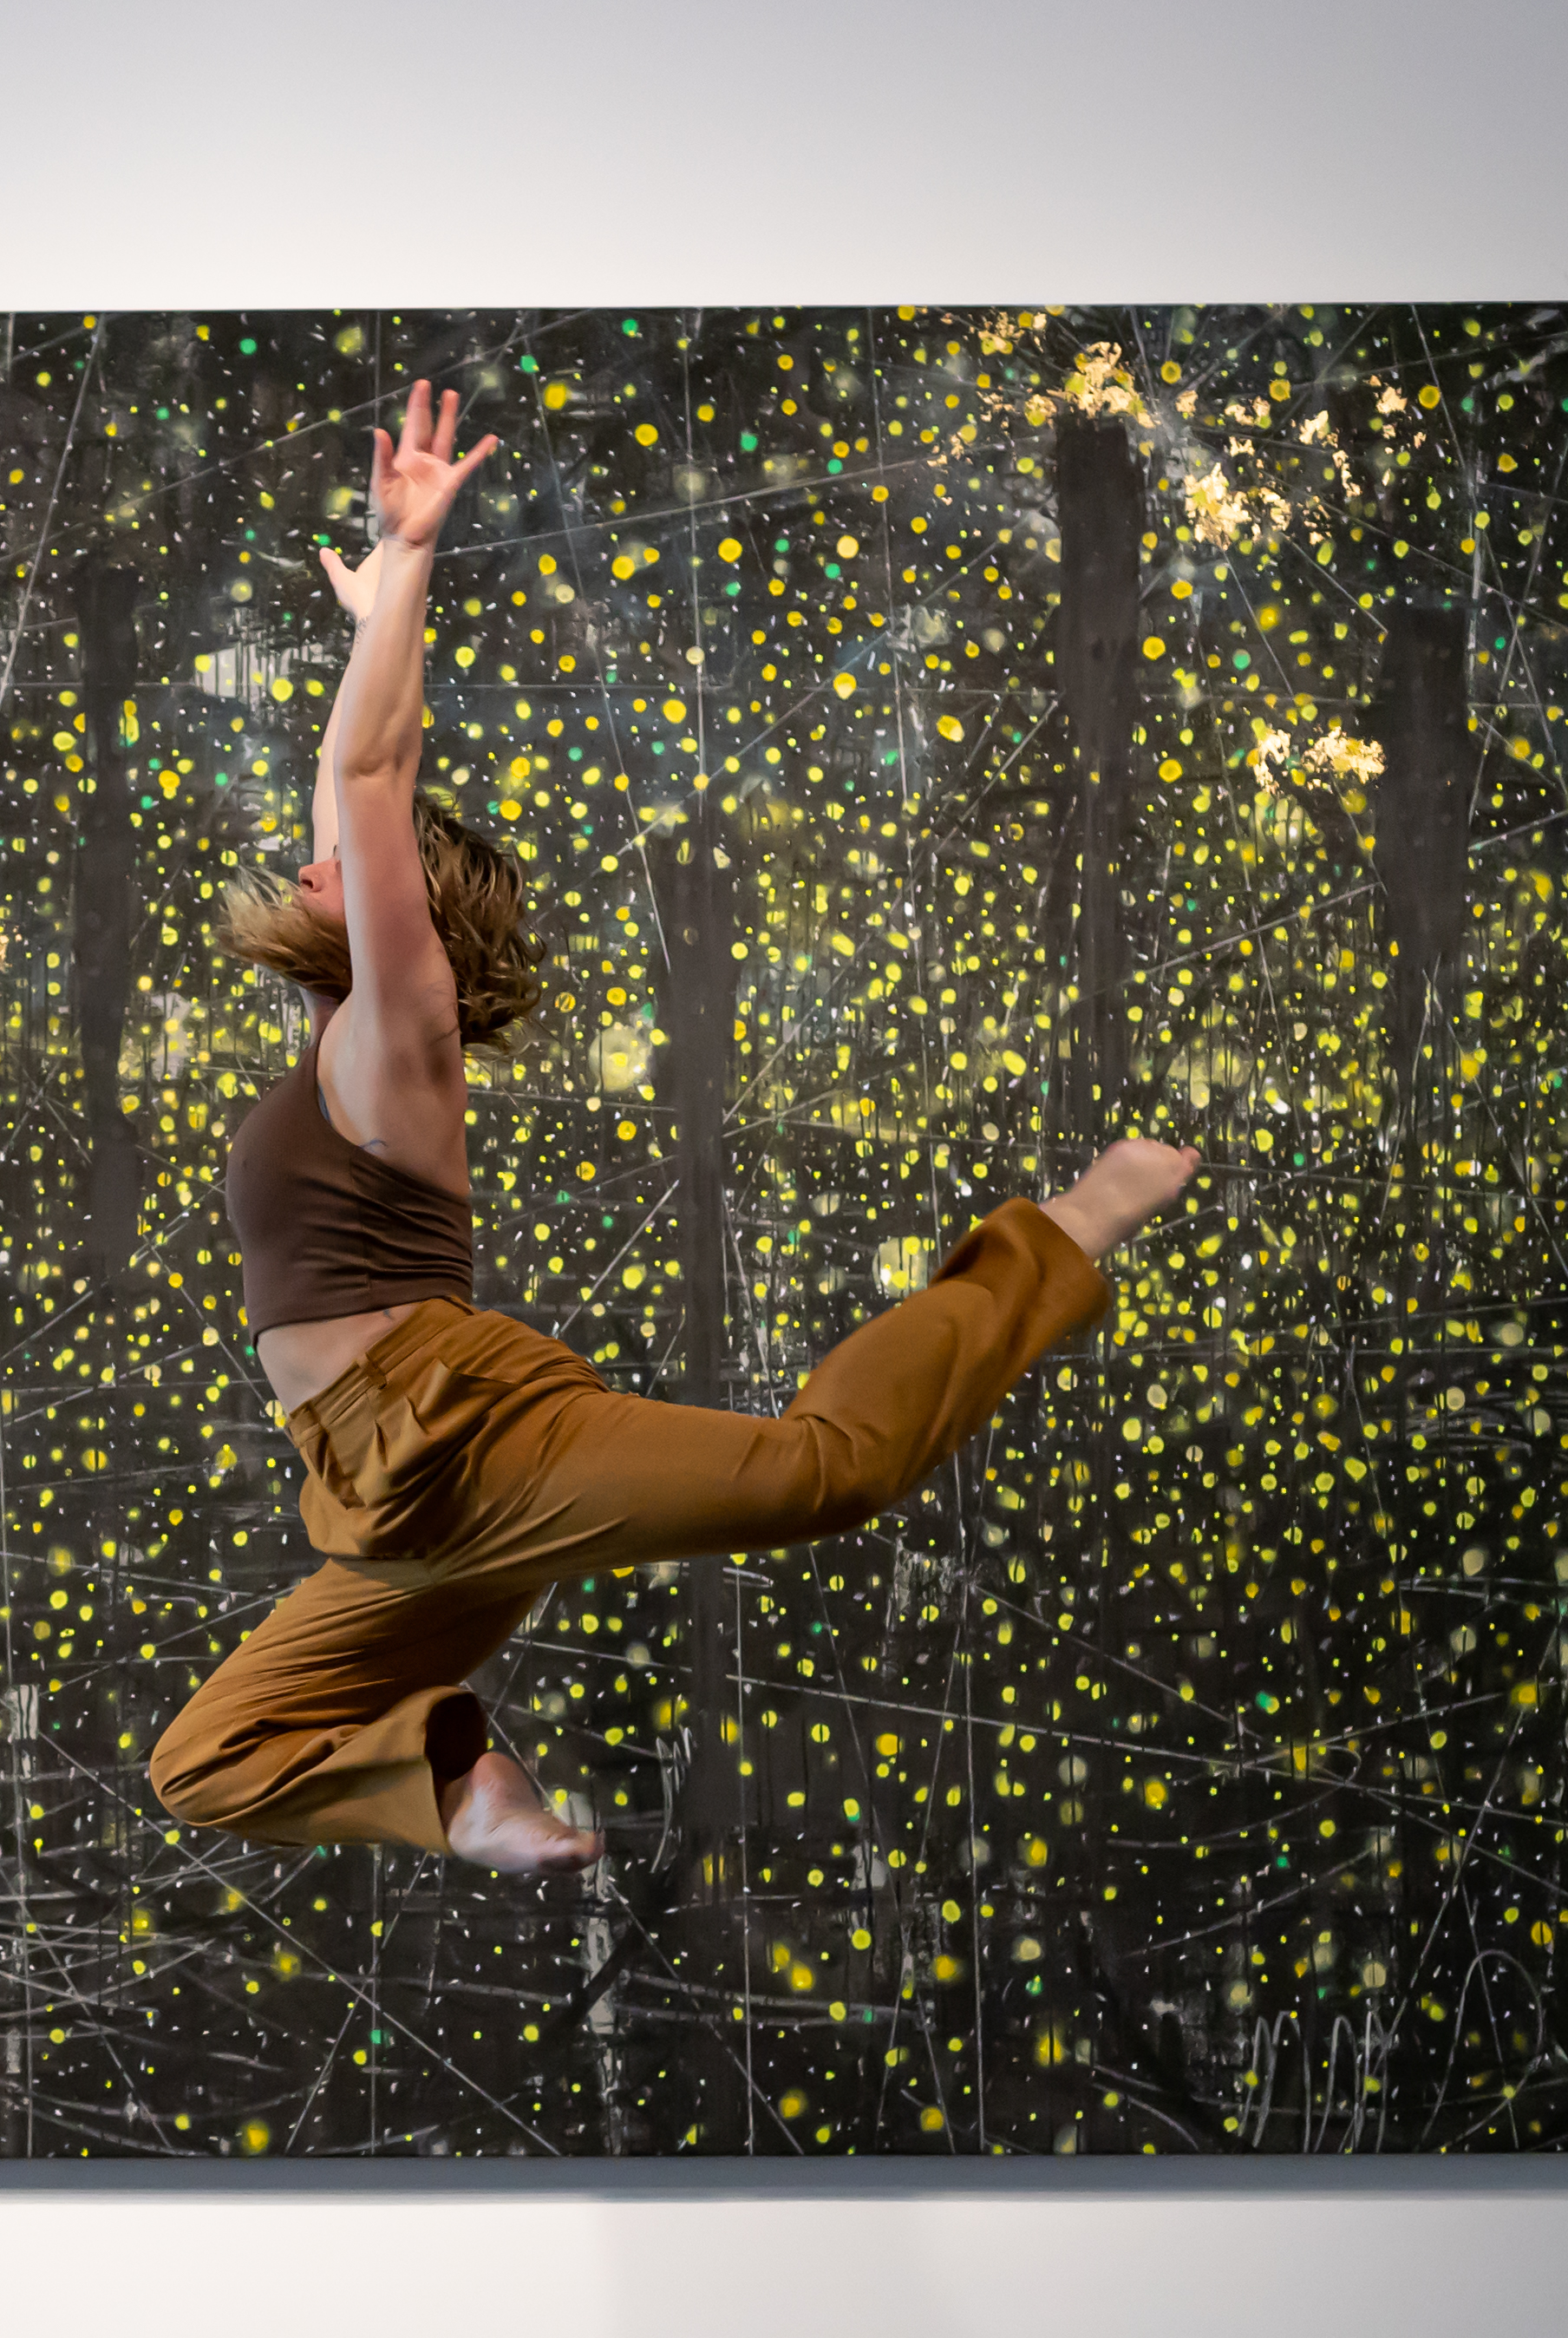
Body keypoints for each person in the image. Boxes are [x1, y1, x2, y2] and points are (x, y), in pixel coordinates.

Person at [145, 383, 1200, 1874]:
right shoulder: (343, 1024)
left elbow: (376, 777)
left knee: (824, 1471)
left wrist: (417, 555)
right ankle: (458, 1782)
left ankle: (1067, 1228)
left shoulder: (401, 1028)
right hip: (380, 1498)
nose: (320, 857)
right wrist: (378, 612)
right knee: (208, 1763)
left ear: (415, 918)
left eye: (360, 866)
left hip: (463, 1427)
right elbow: (351, 777)